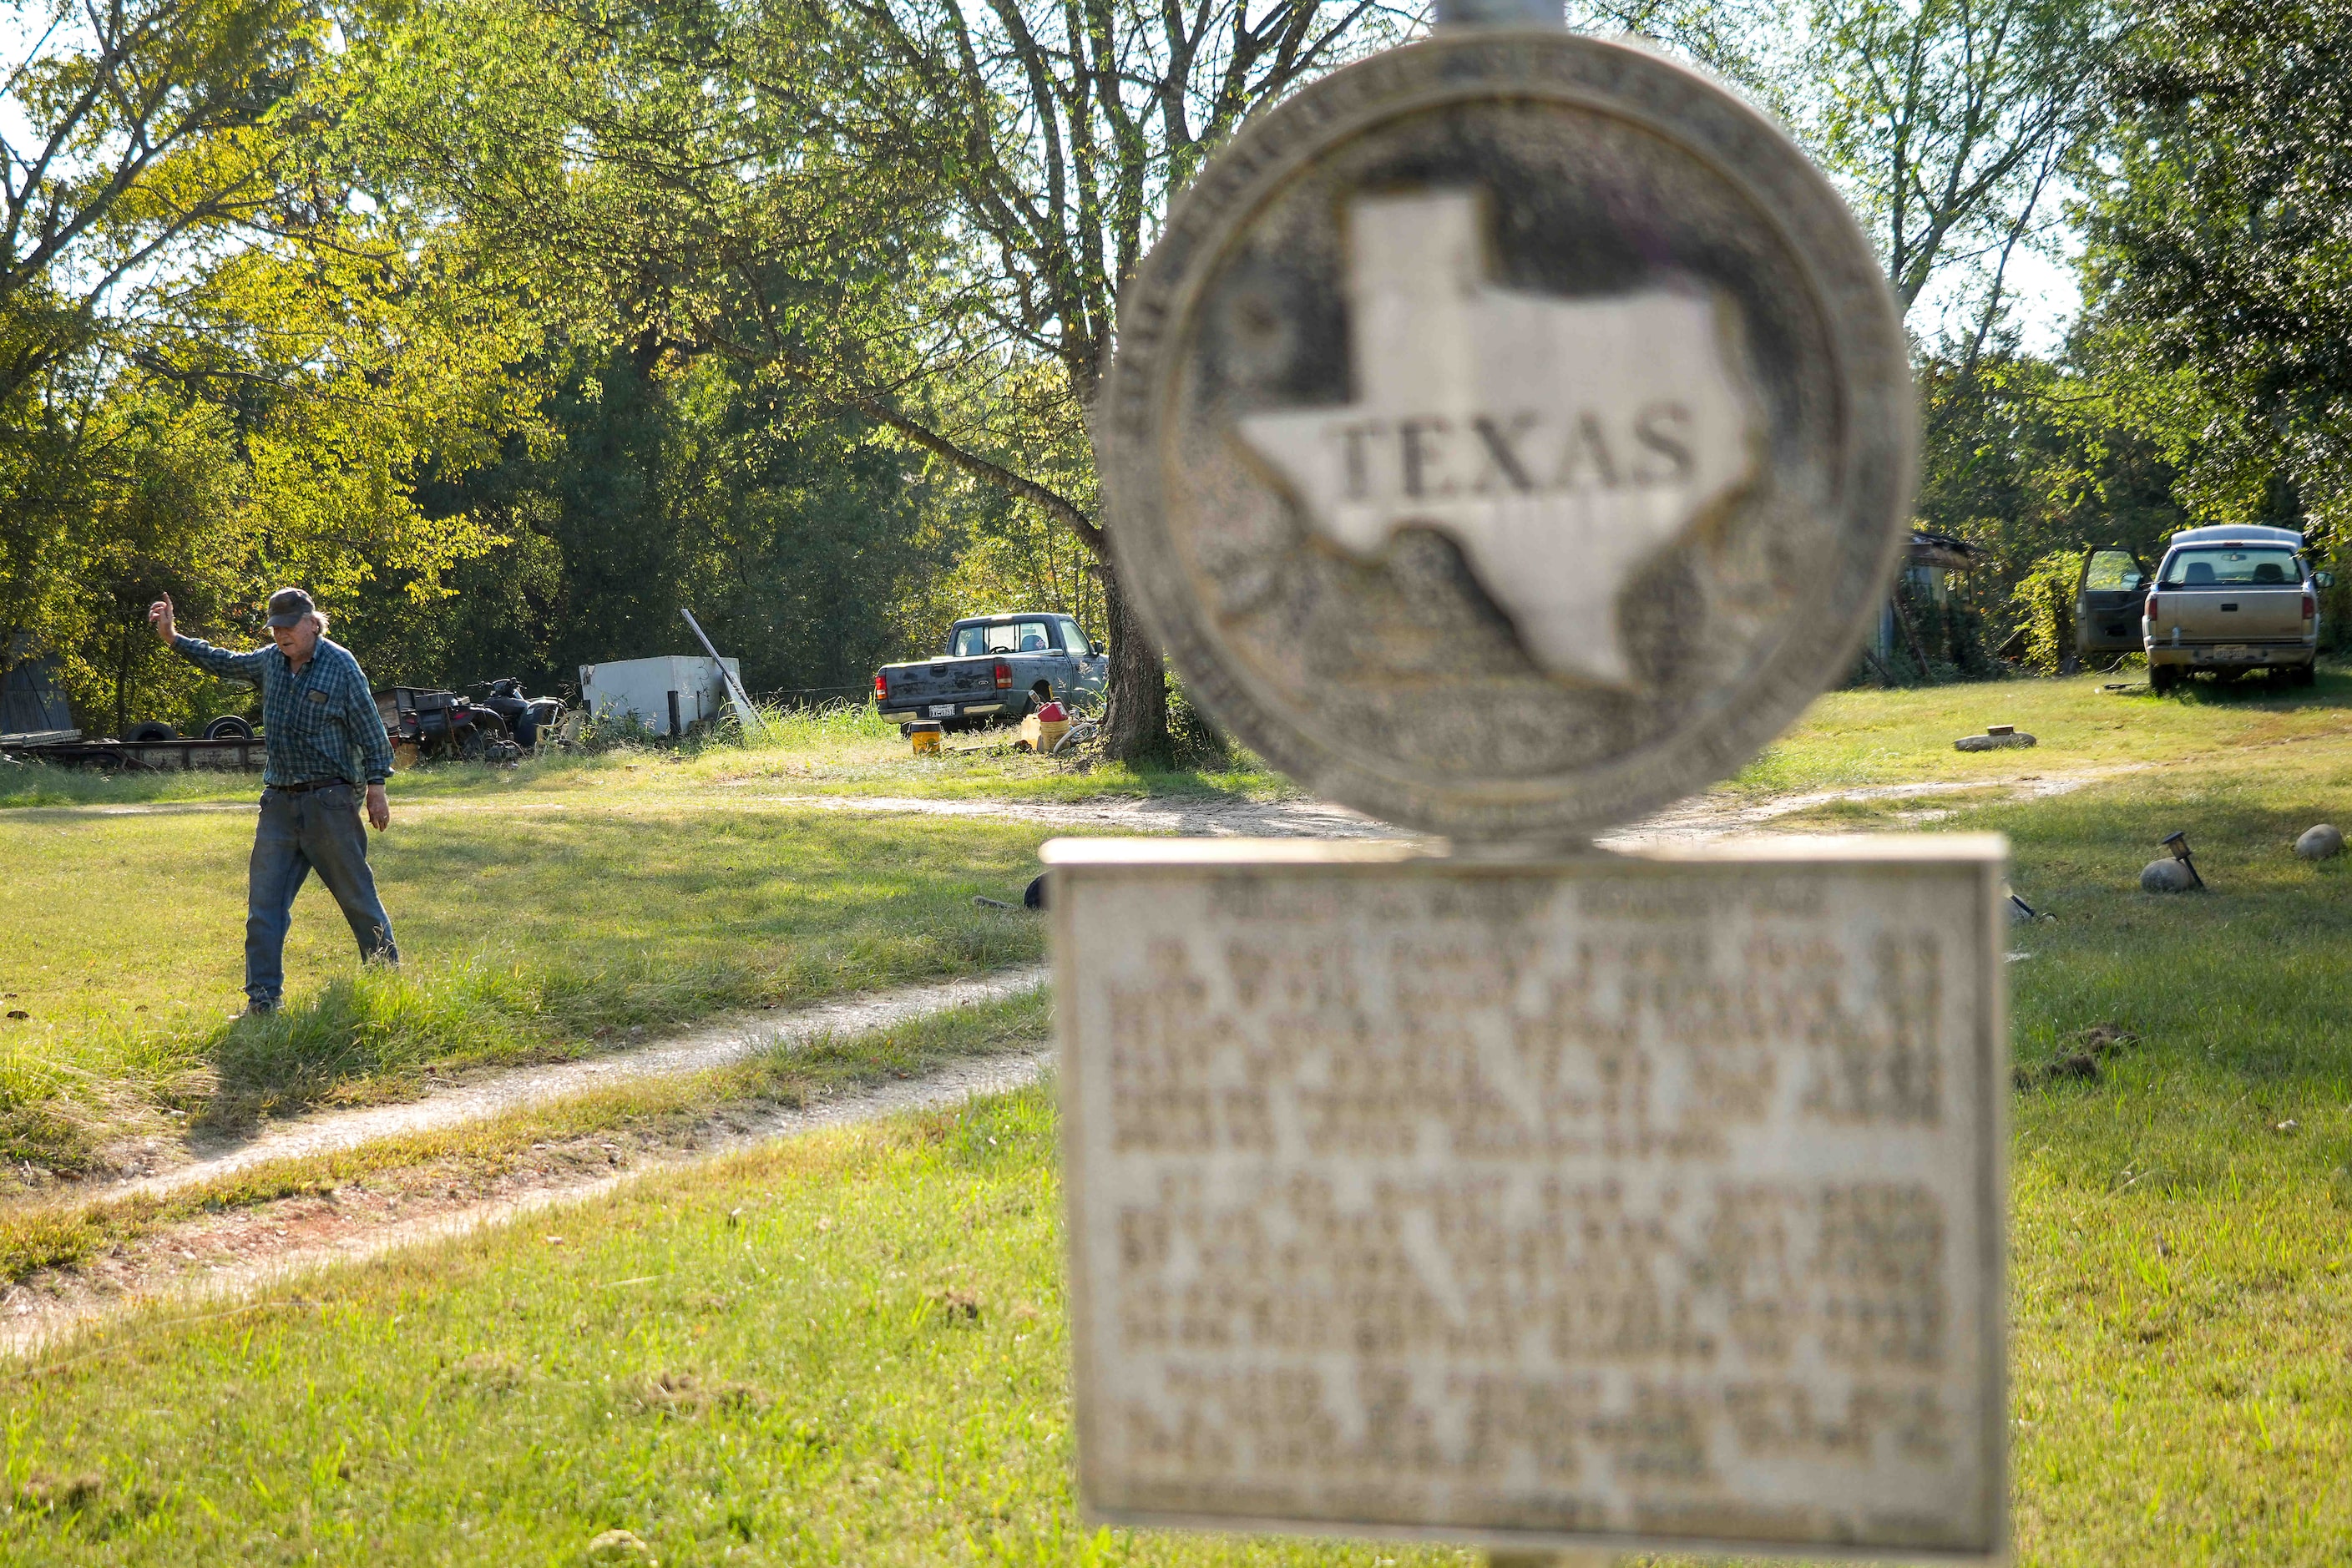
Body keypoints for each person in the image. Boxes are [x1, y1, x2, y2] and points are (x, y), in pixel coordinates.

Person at [149, 588, 399, 1015]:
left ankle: (389, 988)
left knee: (358, 899)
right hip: (279, 805)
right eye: (275, 627)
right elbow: (224, 662)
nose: (281, 634)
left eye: (287, 626)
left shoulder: (341, 665)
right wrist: (173, 637)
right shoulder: (269, 661)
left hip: (331, 802)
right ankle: (263, 1003)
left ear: (312, 622)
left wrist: (377, 789)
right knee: (263, 909)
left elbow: (371, 732)